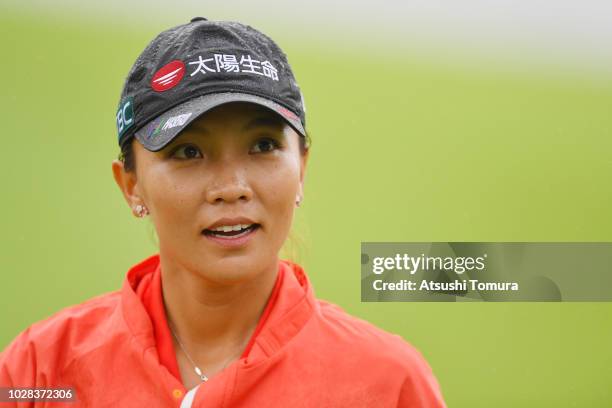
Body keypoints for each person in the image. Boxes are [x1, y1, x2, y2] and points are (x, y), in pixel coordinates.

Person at [0, 17, 446, 407]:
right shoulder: (39, 372)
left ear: (302, 168)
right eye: (188, 151)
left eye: (263, 146)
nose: (231, 188)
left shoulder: (387, 384)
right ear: (131, 184)